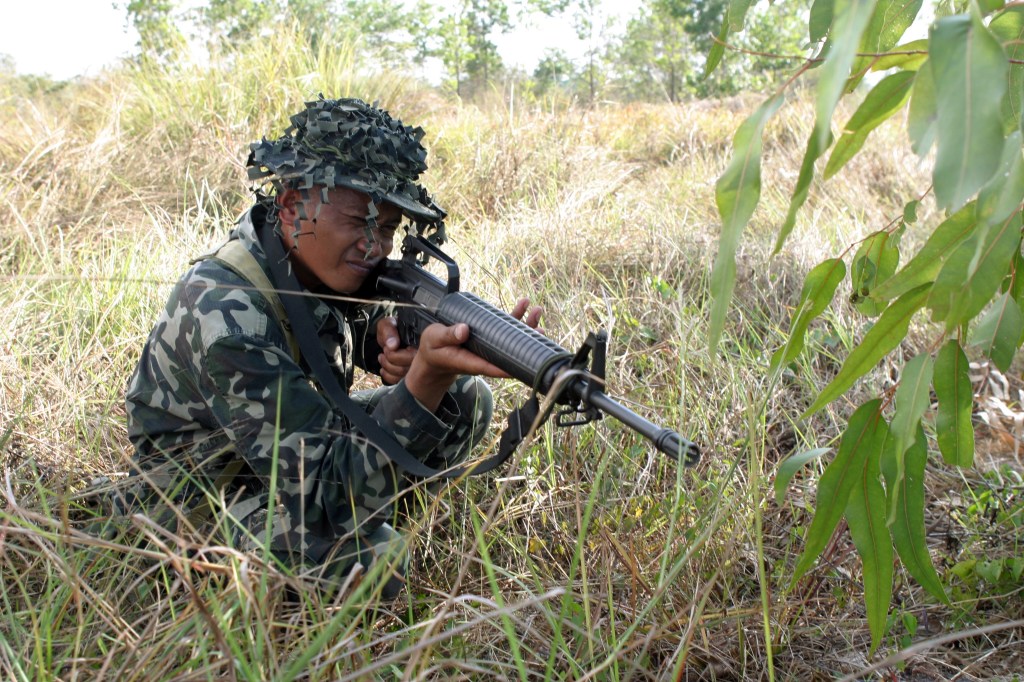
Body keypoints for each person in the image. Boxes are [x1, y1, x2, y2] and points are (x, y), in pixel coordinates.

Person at [123, 96, 541, 598]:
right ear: (291, 206)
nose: (374, 245)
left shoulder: (306, 257)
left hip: (288, 456)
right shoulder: (230, 317)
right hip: (203, 498)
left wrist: (397, 341)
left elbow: (347, 324)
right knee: (372, 564)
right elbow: (321, 494)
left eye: (386, 227)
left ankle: (370, 514)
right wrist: (422, 381)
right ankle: (353, 538)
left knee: (464, 399)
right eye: (357, 221)